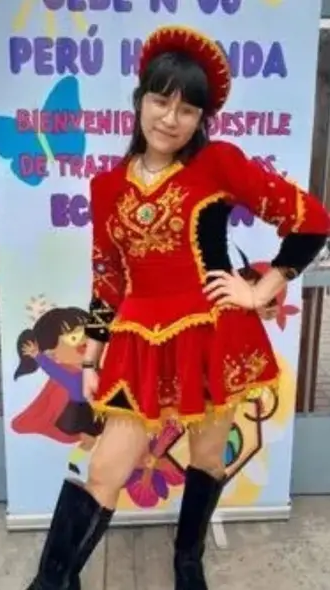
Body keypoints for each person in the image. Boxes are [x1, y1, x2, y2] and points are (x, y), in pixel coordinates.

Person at [27, 25, 330, 590]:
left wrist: (263, 287)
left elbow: (311, 218)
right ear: (140, 99)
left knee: (208, 455)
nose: (171, 118)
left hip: (214, 335)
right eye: (161, 100)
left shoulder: (218, 163)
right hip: (139, 339)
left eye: (188, 109)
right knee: (103, 468)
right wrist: (92, 356)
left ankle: (187, 561)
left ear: (201, 119)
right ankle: (52, 583)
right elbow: (108, 278)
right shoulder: (106, 187)